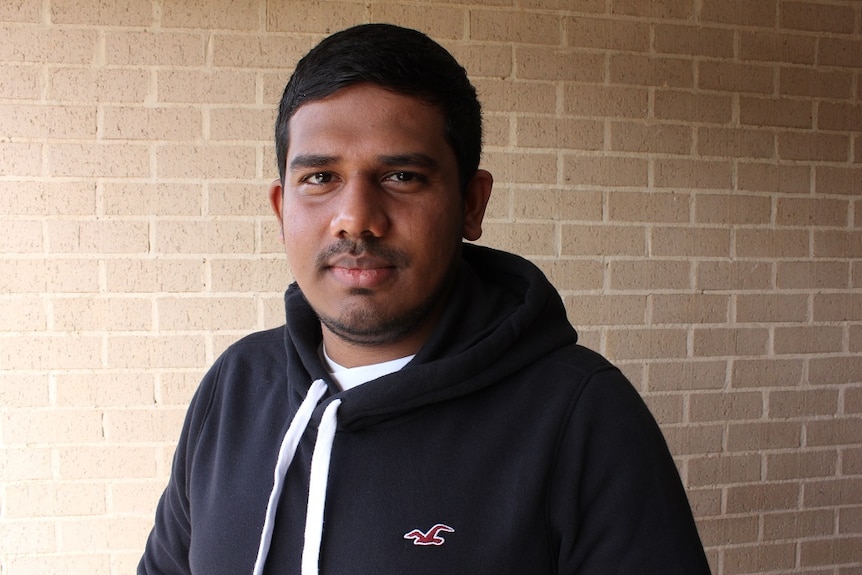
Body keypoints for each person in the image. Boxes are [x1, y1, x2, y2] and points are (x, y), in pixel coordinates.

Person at [138, 23, 711, 575]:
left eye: (403, 176)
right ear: (281, 208)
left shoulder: (582, 416)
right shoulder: (234, 387)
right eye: (320, 178)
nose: (355, 219)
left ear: (471, 204)